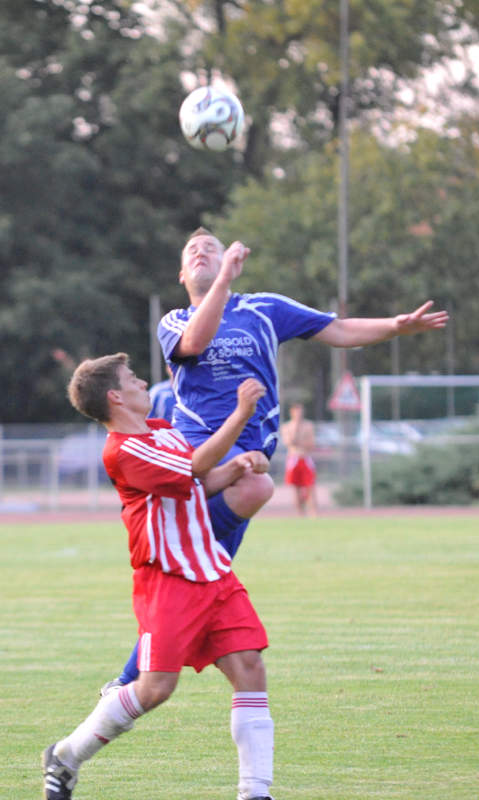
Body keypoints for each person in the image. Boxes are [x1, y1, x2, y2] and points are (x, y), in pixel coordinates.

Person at [105, 226, 449, 692]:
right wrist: (223, 280)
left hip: (249, 456)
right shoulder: (174, 320)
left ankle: (127, 682)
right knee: (245, 501)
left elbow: (337, 329)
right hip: (196, 454)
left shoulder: (265, 309)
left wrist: (395, 326)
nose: (201, 251)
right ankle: (133, 677)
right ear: (182, 274)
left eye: (211, 247)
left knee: (199, 579)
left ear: (228, 260)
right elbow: (196, 343)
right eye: (192, 251)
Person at [42, 352, 275, 800]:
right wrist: (241, 413)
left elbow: (193, 485)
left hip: (213, 571)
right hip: (168, 581)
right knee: (155, 689)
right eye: (131, 378)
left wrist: (238, 467)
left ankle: (255, 792)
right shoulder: (122, 450)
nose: (141, 382)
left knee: (249, 666)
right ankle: (67, 756)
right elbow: (193, 467)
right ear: (115, 397)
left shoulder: (162, 432)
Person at [281, 403, 317, 516]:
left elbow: (311, 444)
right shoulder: (287, 427)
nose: (299, 414)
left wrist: (299, 443)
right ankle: (300, 512)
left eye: (300, 412)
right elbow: (288, 442)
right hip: (293, 459)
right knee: (295, 487)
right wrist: (296, 429)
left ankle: (313, 512)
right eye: (296, 412)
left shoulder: (308, 425)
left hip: (305, 458)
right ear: (292, 413)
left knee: (310, 485)